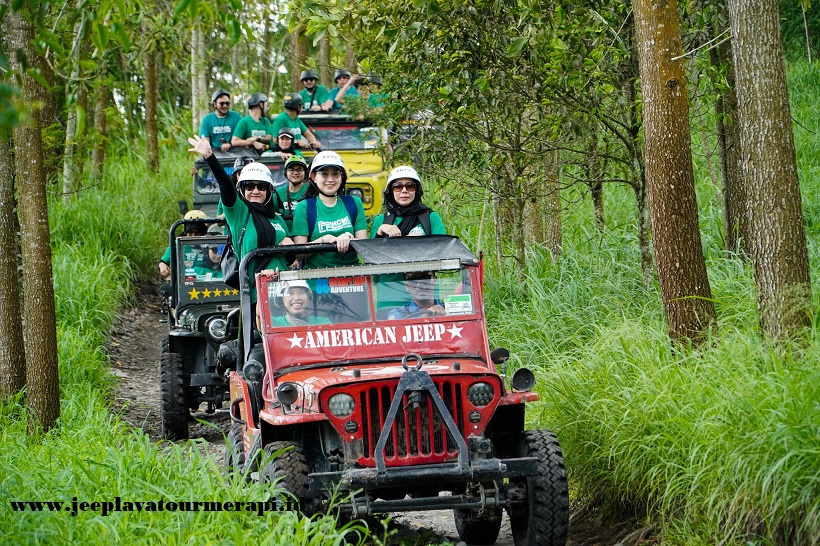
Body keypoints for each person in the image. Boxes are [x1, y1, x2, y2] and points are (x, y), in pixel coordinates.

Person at [187, 136, 292, 307]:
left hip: (286, 290)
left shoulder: (277, 218)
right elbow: (226, 186)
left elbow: (291, 254)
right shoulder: (239, 212)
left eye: (261, 186)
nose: (255, 191)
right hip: (258, 293)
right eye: (249, 186)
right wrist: (209, 156)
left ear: (269, 190)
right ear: (241, 189)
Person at [291, 151, 368, 269]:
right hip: (316, 279)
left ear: (342, 177)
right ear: (314, 177)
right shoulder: (304, 207)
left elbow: (365, 248)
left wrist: (348, 237)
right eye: (324, 174)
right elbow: (299, 254)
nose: (330, 179)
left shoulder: (354, 203)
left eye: (335, 174)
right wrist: (323, 240)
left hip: (353, 277)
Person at [371, 166, 446, 238]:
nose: (404, 191)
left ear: (417, 191)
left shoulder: (431, 217)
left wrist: (422, 241)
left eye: (410, 186)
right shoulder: (380, 220)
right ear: (391, 191)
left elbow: (442, 247)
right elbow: (370, 250)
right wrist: (380, 231)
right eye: (398, 186)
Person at [158, 209, 208, 281]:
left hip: (205, 281)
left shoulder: (209, 245)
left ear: (203, 233)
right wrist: (162, 265)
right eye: (190, 233)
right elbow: (162, 261)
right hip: (183, 282)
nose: (193, 236)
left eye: (197, 233)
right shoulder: (177, 244)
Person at [275, 155, 310, 232]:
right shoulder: (278, 192)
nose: (295, 173)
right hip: (286, 238)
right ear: (286, 172)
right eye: (291, 169)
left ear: (305, 172)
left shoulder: (311, 190)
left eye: (300, 169)